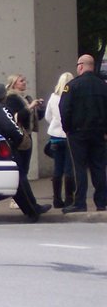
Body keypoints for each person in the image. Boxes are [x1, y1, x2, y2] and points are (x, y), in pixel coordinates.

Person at [0, 84, 47, 221]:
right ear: (4, 95)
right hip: (4, 148)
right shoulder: (0, 109)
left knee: (13, 181)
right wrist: (19, 139)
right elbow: (11, 128)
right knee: (20, 178)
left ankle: (30, 209)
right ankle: (32, 209)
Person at [60, 54, 107, 213]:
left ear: (80, 66)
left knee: (78, 167)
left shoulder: (72, 86)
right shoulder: (103, 85)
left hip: (77, 133)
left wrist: (67, 129)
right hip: (99, 133)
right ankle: (101, 202)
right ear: (92, 66)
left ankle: (80, 202)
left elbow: (65, 109)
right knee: (99, 167)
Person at [4, 73, 51, 218]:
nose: (24, 83)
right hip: (19, 136)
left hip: (27, 135)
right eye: (21, 81)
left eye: (24, 80)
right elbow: (16, 117)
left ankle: (23, 199)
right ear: (13, 84)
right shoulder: (12, 98)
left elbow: (33, 117)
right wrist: (30, 106)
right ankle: (20, 200)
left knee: (24, 168)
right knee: (21, 170)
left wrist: (39, 108)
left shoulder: (25, 98)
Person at [44, 72, 75, 208]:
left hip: (55, 136)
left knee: (57, 168)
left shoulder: (53, 97)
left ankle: (56, 199)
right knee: (69, 168)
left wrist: (55, 124)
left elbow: (47, 116)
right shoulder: (73, 97)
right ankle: (69, 198)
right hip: (69, 136)